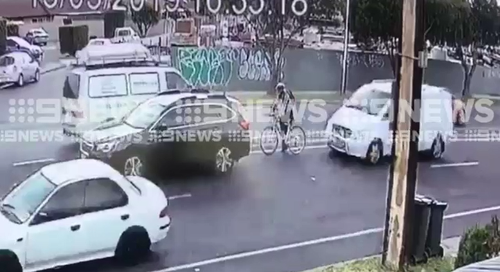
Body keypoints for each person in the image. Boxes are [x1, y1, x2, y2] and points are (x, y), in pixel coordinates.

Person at [272, 82, 296, 152]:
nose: (277, 92)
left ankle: (286, 142)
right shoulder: (280, 95)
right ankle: (284, 145)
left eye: (278, 90)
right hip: (285, 112)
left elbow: (285, 106)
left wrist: (278, 114)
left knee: (283, 125)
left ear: (281, 90)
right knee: (282, 128)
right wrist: (273, 110)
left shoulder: (285, 95)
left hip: (288, 112)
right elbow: (276, 103)